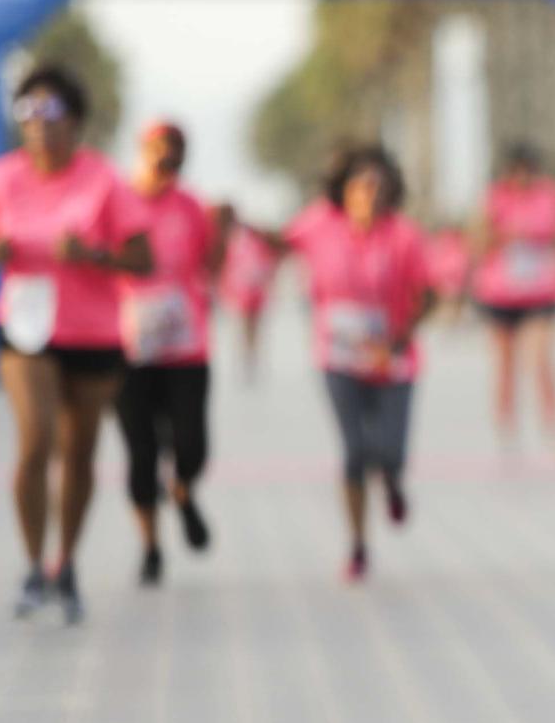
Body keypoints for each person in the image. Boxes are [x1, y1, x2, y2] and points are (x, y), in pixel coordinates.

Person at [0, 65, 152, 621]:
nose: (38, 124)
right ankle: (32, 565)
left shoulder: (104, 180)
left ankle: (66, 563)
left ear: (73, 122)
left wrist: (94, 254)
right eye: (27, 112)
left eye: (50, 113)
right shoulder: (0, 178)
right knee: (37, 439)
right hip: (26, 325)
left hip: (93, 330)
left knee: (80, 453)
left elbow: (143, 260)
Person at [279, 145, 432, 581]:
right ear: (343, 190)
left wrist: (399, 339)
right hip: (338, 358)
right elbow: (280, 242)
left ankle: (394, 480)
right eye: (361, 184)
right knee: (353, 453)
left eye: (379, 185)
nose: (370, 193)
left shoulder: (404, 235)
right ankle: (358, 545)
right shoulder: (318, 224)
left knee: (389, 450)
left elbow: (428, 295)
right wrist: (236, 224)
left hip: (393, 360)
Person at [114, 121, 228, 586]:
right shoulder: (118, 201)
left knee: (192, 446)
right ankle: (150, 546)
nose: (168, 157)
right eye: (160, 148)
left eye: (177, 150)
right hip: (129, 347)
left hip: (185, 345)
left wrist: (223, 236)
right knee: (141, 453)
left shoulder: (193, 206)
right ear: (143, 150)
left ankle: (182, 490)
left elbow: (211, 266)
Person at [468, 144, 555, 445]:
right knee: (504, 363)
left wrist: (519, 232)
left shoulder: (549, 195)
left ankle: (552, 422)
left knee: (540, 359)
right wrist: (497, 232)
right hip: (501, 291)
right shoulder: (494, 197)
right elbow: (479, 239)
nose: (522, 177)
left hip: (539, 290)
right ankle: (505, 423)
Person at [217, 210, 279, 381]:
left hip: (255, 294)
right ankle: (245, 358)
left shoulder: (259, 246)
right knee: (245, 329)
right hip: (242, 294)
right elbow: (228, 270)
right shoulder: (235, 245)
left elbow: (268, 268)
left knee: (252, 329)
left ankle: (251, 358)